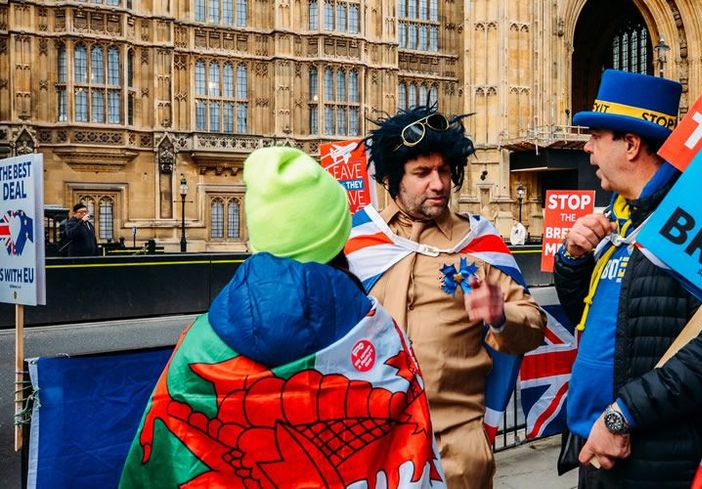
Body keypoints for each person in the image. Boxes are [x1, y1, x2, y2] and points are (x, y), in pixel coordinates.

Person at [120, 147, 445, 488]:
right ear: (339, 237)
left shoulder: (201, 343)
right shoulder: (382, 333)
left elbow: (160, 459)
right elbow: (415, 452)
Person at [555, 70, 702, 488]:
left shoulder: (693, 227)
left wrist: (623, 415)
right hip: (595, 446)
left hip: (654, 457)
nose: (586, 147)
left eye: (596, 136)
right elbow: (591, 319)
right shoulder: (619, 219)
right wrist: (573, 259)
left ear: (631, 144)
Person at [345, 106, 546, 488]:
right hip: (374, 449)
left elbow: (534, 325)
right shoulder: (356, 243)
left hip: (456, 453)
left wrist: (500, 316)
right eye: (422, 173)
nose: (438, 184)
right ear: (391, 178)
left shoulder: (480, 243)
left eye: (444, 171)